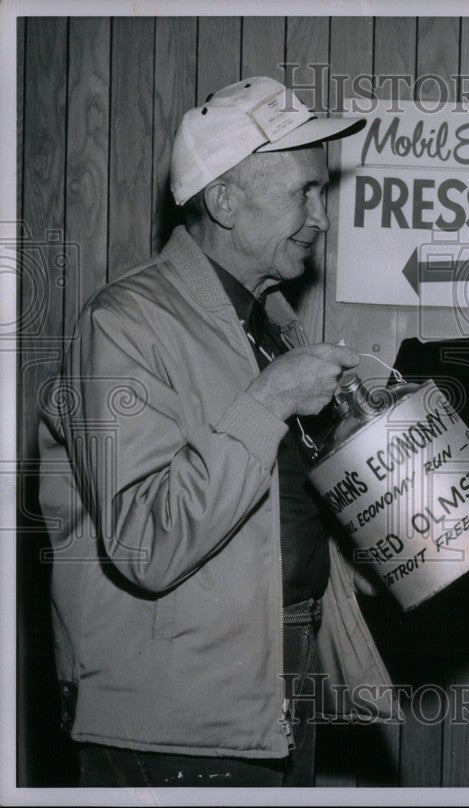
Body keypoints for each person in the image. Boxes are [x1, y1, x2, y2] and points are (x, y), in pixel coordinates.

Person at [38, 77, 392, 786]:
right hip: (175, 726)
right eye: (304, 193)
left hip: (279, 681)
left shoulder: (271, 323)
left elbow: (276, 521)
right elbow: (145, 541)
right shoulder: (124, 324)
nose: (321, 218)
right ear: (225, 201)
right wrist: (268, 401)